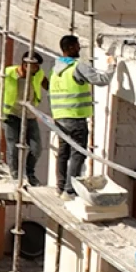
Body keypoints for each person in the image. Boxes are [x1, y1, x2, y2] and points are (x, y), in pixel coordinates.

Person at [44, 34, 113, 196]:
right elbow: (101, 80)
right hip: (75, 117)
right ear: (69, 48)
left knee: (63, 153)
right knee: (78, 154)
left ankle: (60, 187)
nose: (79, 49)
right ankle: (69, 190)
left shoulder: (56, 69)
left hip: (60, 118)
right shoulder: (77, 67)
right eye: (76, 46)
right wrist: (112, 67)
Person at [0, 50, 45, 186]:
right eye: (35, 66)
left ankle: (30, 173)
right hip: (10, 114)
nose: (38, 69)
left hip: (29, 114)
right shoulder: (8, 73)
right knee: (13, 146)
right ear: (25, 65)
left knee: (37, 148)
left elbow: (46, 84)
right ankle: (15, 176)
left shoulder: (37, 74)